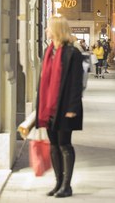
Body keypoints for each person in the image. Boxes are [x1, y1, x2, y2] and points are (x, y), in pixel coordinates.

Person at [35, 15, 84, 198]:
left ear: (56, 30)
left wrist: (73, 107)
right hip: (49, 108)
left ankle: (67, 185)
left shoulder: (73, 53)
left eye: (49, 27)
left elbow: (76, 83)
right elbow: (44, 83)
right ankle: (57, 183)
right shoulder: (49, 51)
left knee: (65, 145)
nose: (46, 30)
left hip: (65, 107)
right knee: (53, 146)